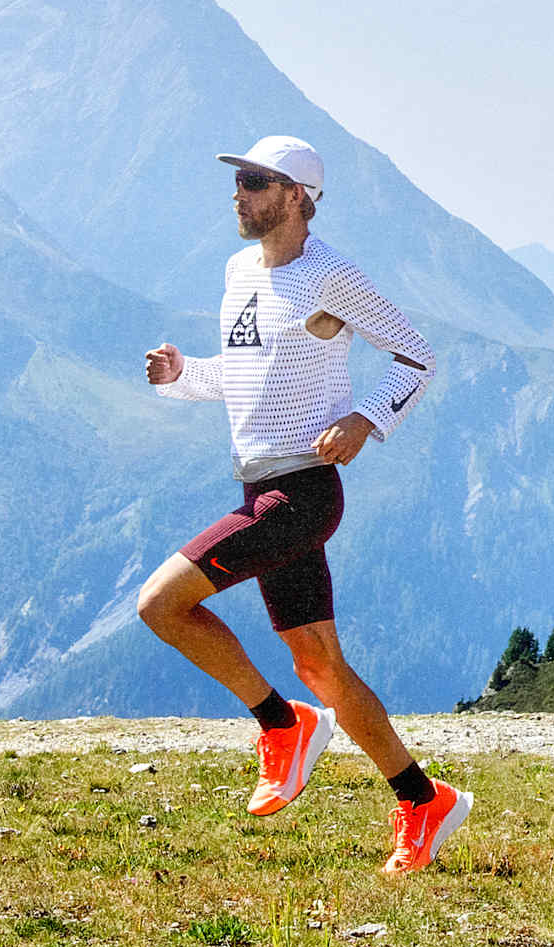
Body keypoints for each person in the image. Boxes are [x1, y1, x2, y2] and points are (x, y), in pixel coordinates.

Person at [137, 135, 470, 876]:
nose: (238, 193)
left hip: (303, 493)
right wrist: (184, 375)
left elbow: (418, 355)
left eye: (254, 181)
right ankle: (424, 800)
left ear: (297, 196)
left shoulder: (330, 276)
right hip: (260, 484)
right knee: (319, 662)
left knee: (160, 605)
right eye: (238, 180)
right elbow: (243, 373)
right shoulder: (236, 271)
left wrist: (367, 419)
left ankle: (280, 726)